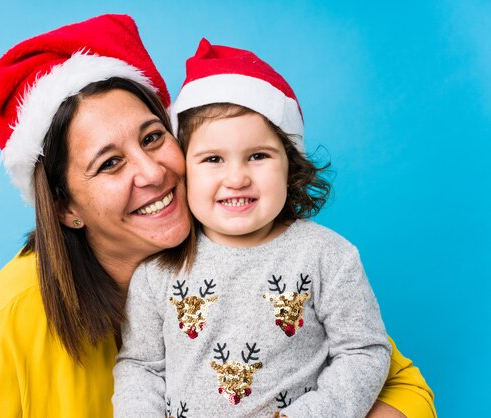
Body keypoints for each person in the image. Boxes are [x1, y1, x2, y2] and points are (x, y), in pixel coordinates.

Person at [0, 14, 434, 418]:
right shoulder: (18, 315)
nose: (153, 171)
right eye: (110, 163)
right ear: (65, 207)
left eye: (152, 138)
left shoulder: (275, 247)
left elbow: (396, 380)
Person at [113, 39, 430, 418]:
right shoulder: (156, 273)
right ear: (185, 172)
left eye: (258, 156)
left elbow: (363, 351)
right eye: (213, 159)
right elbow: (141, 366)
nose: (236, 178)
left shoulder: (328, 256)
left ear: (290, 165)